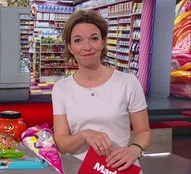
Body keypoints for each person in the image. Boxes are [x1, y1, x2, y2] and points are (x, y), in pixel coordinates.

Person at [51, 9, 151, 172]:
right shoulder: (61, 89)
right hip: (81, 168)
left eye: (94, 38)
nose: (87, 47)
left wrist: (134, 149)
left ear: (103, 42)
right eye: (78, 40)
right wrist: (84, 134)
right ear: (69, 46)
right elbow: (62, 144)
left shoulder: (128, 82)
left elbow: (144, 132)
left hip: (122, 168)